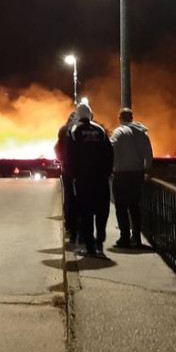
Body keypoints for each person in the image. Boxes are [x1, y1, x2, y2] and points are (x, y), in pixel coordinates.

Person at [67, 102, 113, 258]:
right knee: (101, 212)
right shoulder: (100, 131)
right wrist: (107, 173)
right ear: (91, 114)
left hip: (83, 180)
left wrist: (73, 175)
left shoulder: (74, 130)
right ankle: (100, 244)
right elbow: (109, 153)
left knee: (86, 213)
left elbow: (70, 156)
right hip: (100, 180)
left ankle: (89, 246)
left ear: (78, 115)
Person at [110, 107, 154, 248]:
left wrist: (111, 166)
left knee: (121, 207)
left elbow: (112, 148)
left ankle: (124, 238)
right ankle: (136, 237)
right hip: (137, 174)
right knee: (135, 207)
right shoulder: (143, 133)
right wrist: (147, 171)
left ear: (120, 118)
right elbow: (149, 154)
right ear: (132, 117)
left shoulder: (120, 131)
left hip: (122, 174)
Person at [54, 112, 78, 244]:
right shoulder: (82, 128)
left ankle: (70, 228)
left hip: (67, 170)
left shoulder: (64, 129)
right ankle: (81, 230)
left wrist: (62, 160)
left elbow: (57, 148)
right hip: (83, 171)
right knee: (82, 199)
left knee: (69, 199)